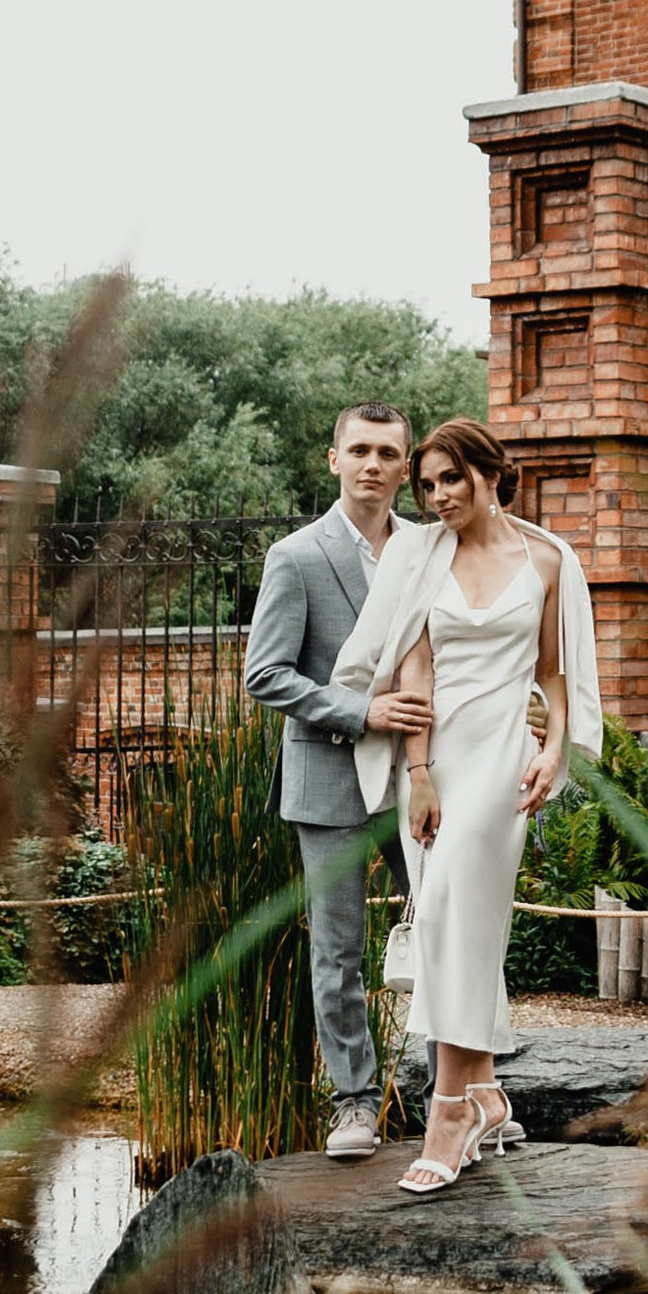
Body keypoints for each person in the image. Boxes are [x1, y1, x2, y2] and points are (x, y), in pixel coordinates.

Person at [326, 416, 602, 1195]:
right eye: (429, 484)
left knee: (448, 905)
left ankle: (448, 1109)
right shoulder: (421, 554)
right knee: (456, 916)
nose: (438, 495)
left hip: (503, 758)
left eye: (452, 478)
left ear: (490, 473)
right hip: (439, 759)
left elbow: (554, 673)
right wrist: (417, 773)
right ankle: (482, 1094)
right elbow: (413, 667)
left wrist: (554, 750)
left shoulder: (549, 558)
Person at [242, 403, 421, 1160]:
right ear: (333, 459)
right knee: (339, 951)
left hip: (421, 775)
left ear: (407, 467)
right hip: (329, 774)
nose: (373, 464)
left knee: (444, 934)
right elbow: (265, 672)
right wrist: (361, 710)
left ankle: (455, 1092)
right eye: (360, 450)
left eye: (387, 452)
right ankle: (353, 1104)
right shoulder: (296, 555)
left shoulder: (428, 546)